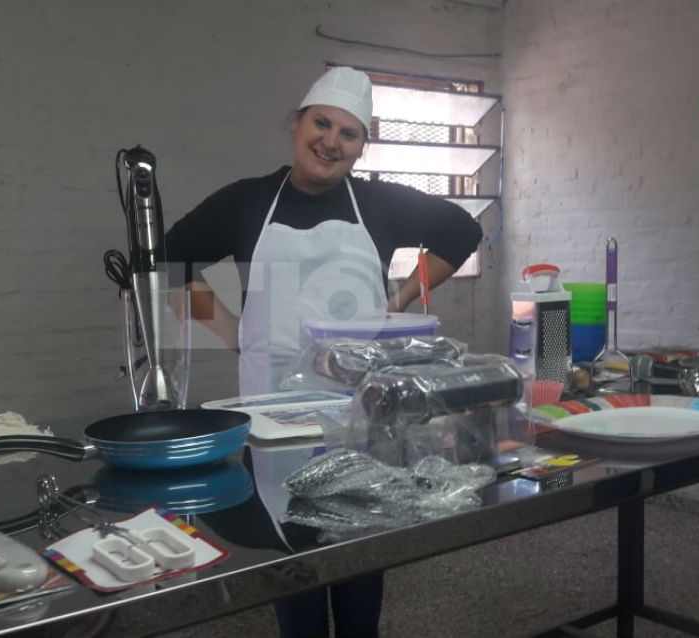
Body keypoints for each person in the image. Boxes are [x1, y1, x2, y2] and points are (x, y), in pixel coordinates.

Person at [163, 66, 482, 638]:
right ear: (297, 123)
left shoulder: (380, 203)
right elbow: (172, 254)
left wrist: (398, 300)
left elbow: (462, 231)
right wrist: (232, 331)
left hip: (360, 409)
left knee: (361, 544)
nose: (331, 141)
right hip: (274, 411)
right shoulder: (248, 201)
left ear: (362, 146)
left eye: (348, 133)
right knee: (292, 551)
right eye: (322, 123)